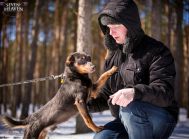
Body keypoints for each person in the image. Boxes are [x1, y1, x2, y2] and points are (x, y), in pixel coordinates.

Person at [88, 0, 179, 139]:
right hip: (126, 118)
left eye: (116, 26)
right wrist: (85, 102)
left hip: (160, 117)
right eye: (108, 27)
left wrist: (135, 93)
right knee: (101, 137)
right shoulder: (113, 57)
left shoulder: (156, 51)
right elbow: (107, 95)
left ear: (130, 26)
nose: (111, 32)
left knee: (131, 108)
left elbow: (165, 93)